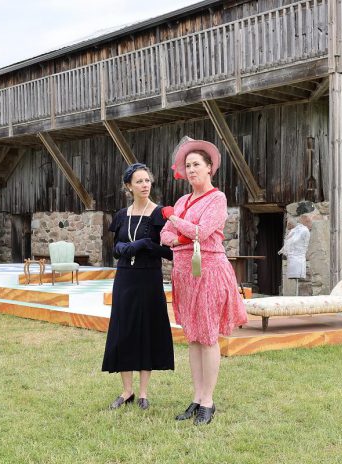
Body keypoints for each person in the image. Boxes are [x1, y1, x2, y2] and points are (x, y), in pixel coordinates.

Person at [160, 137, 248, 425]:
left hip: (208, 272)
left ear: (210, 168)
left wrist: (175, 222)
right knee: (193, 338)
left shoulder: (217, 199)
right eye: (187, 166)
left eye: (197, 164)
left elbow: (202, 231)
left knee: (208, 336)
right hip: (184, 274)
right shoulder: (183, 200)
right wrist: (179, 232)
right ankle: (196, 397)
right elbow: (165, 236)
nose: (191, 170)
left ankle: (208, 402)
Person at [102, 163, 174, 410]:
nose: (145, 185)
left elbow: (170, 252)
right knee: (124, 329)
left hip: (149, 279)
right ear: (128, 186)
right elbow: (114, 249)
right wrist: (122, 249)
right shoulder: (122, 215)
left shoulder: (160, 214)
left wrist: (146, 244)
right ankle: (127, 391)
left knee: (146, 330)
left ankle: (143, 393)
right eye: (139, 181)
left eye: (147, 181)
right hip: (125, 278)